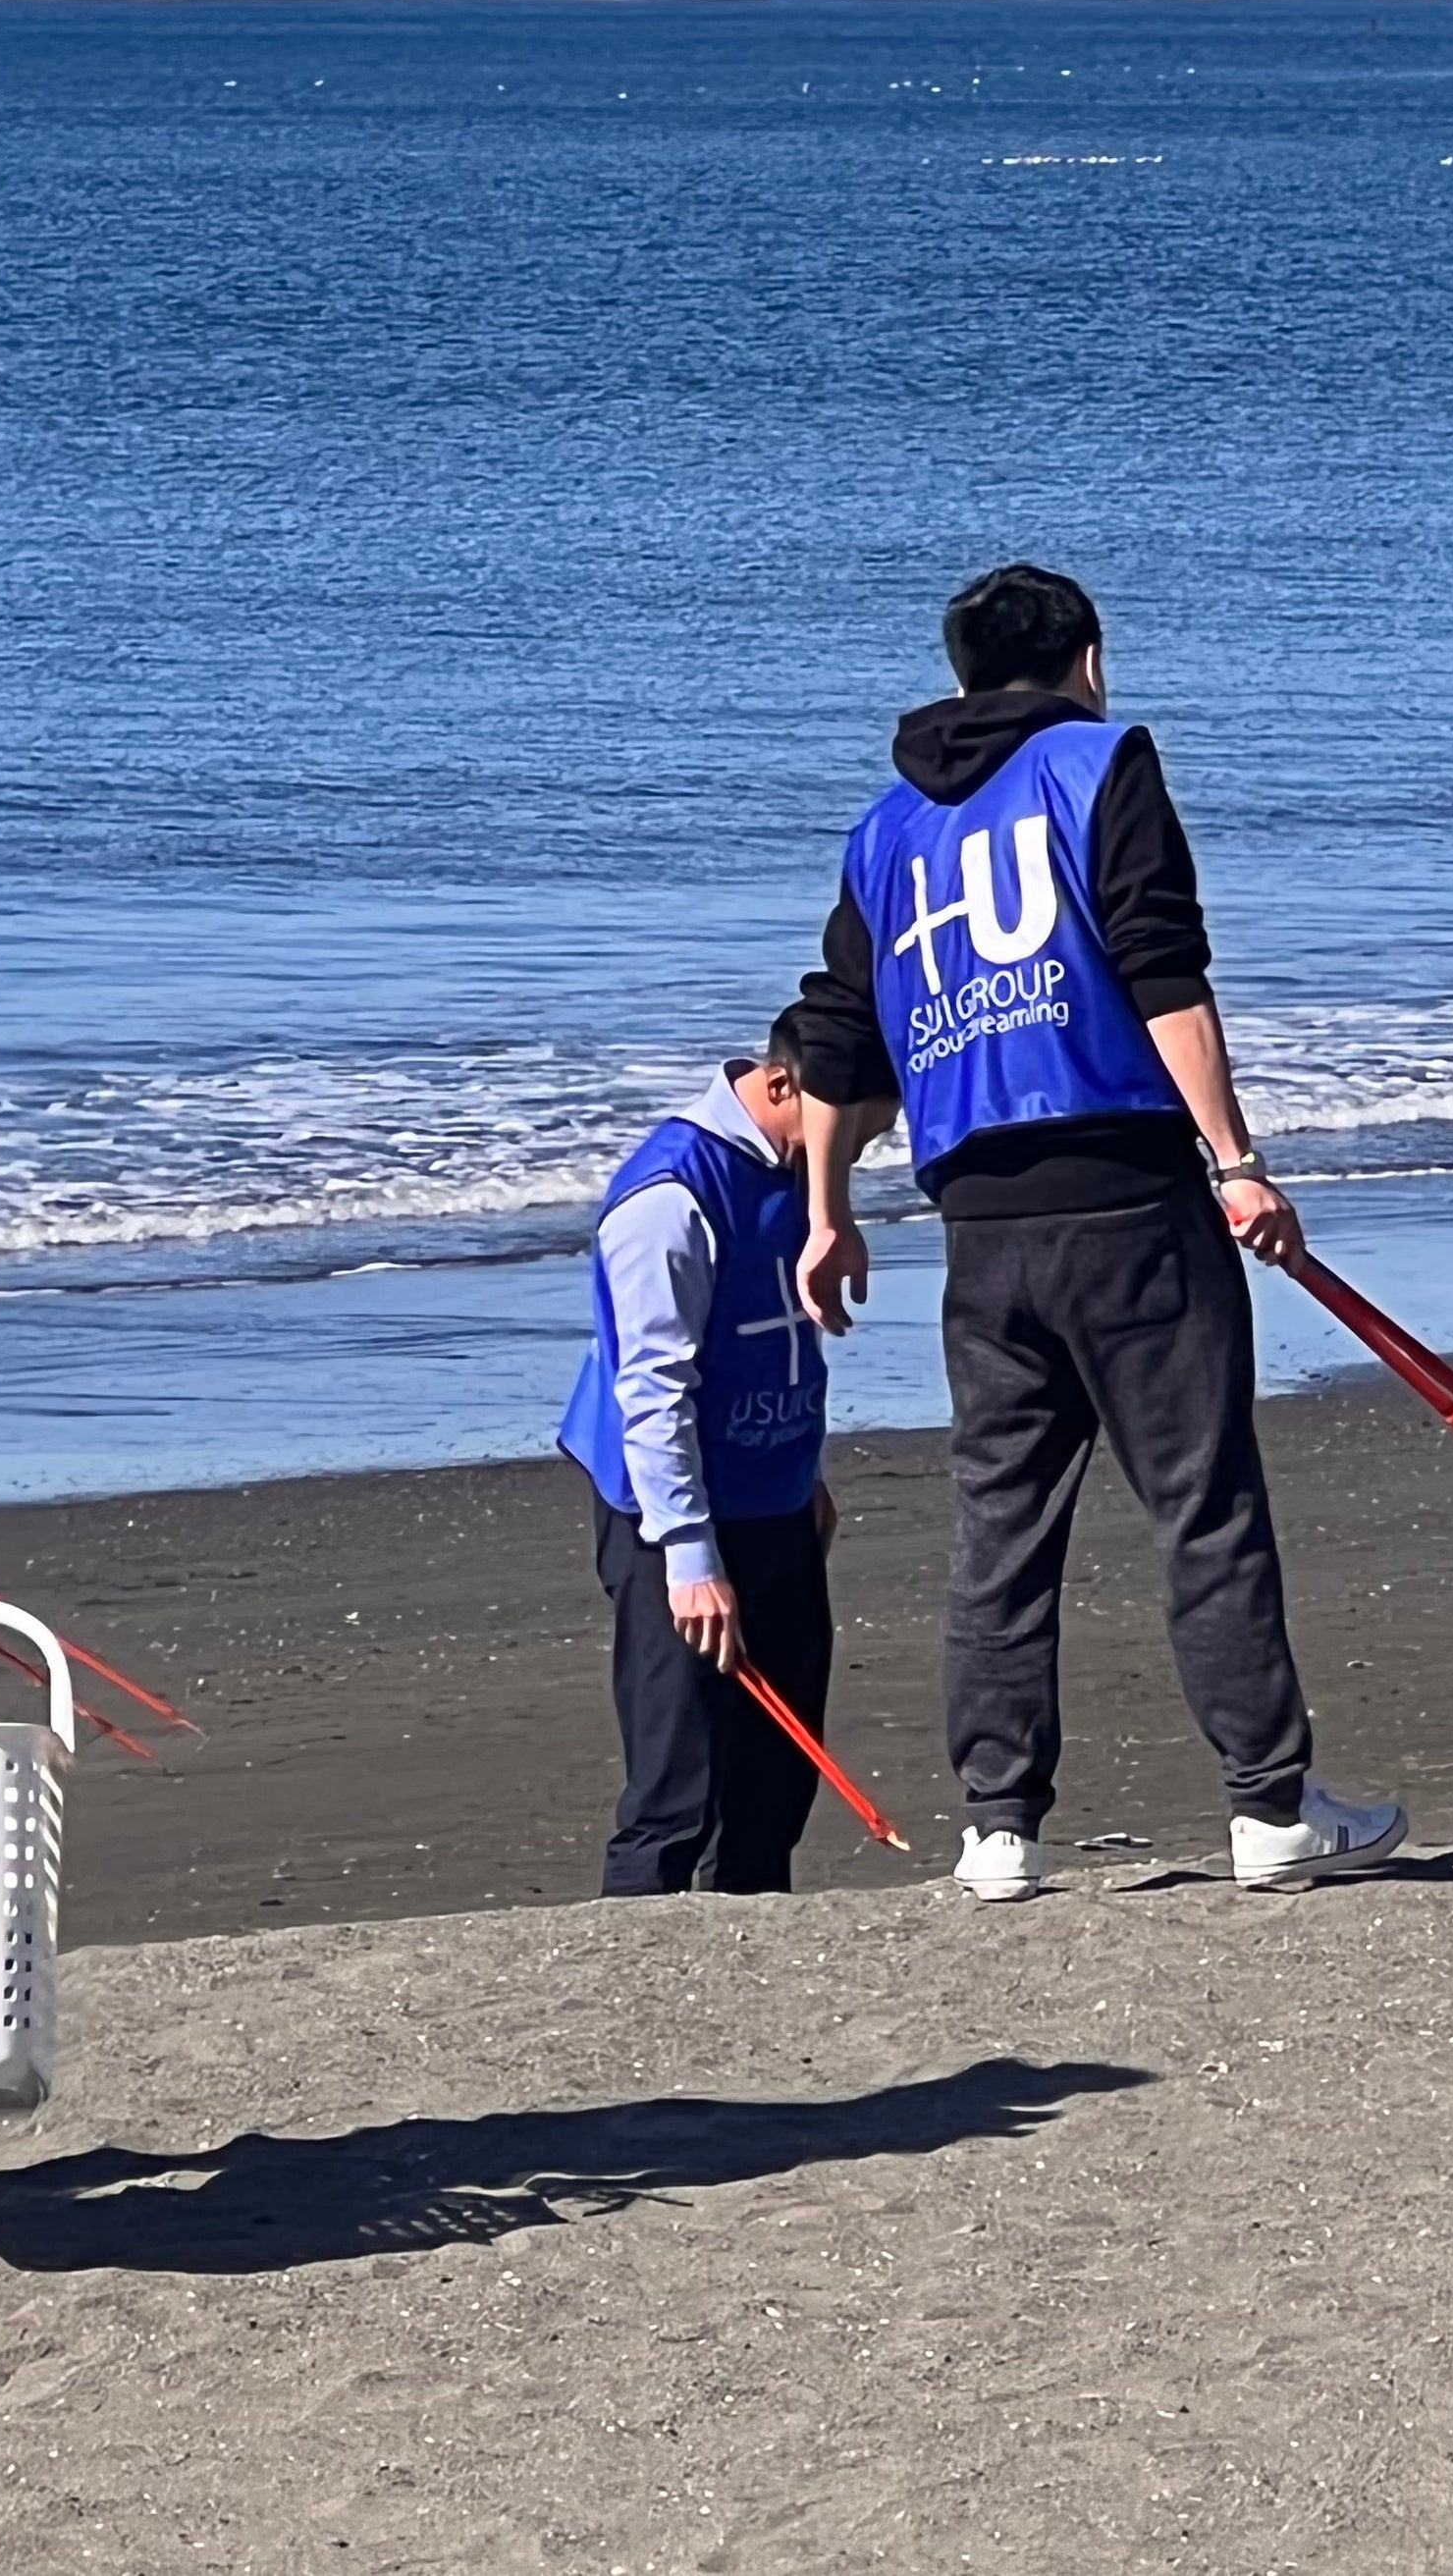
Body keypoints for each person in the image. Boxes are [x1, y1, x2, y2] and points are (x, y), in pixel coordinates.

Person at [786, 563, 1407, 1902]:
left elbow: (841, 1032)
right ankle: (1269, 1805)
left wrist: (826, 1210)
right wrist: (1237, 1160)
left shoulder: (890, 828)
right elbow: (1158, 959)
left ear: (959, 677)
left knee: (1000, 1521)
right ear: (1089, 661)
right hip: (1125, 1187)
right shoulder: (1099, 761)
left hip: (980, 1223)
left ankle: (999, 1827)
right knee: (1201, 1503)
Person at [558, 1025, 838, 1896]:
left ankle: (752, 1966)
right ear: (785, 1087)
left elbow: (786, 1341)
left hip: (776, 1499)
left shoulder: (804, 1176)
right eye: (854, 1118)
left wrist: (805, 1475)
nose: (862, 1143)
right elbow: (653, 1389)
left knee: (776, 1782)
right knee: (677, 1787)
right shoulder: (670, 1195)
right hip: (671, 1511)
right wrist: (688, 1551)